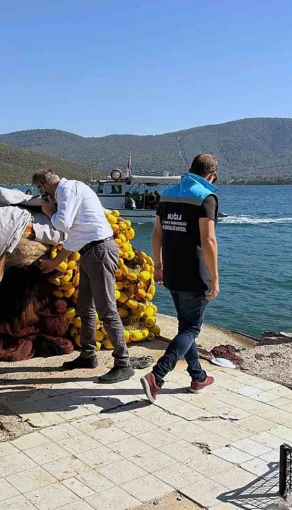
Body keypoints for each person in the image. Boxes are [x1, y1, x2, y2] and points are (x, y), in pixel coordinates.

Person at [32, 169, 134, 383]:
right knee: (85, 307)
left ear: (42, 187)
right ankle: (88, 355)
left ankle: (123, 364)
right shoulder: (71, 190)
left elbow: (63, 224)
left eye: (39, 190)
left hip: (99, 251)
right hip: (89, 252)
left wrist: (50, 211)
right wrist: (55, 262)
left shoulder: (67, 190)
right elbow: (75, 237)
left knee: (107, 309)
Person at [140, 154, 220, 402]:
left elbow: (157, 233)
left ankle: (198, 377)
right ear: (211, 176)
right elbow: (208, 240)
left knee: (186, 327)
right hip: (196, 273)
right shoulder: (206, 197)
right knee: (192, 328)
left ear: (190, 170)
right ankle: (157, 375)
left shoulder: (168, 194)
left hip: (172, 271)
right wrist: (214, 277)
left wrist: (158, 265)